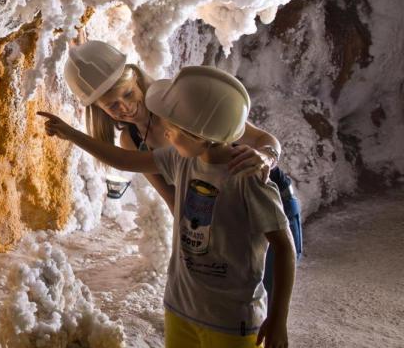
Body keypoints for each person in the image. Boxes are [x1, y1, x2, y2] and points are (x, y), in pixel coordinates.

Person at [40, 66, 295, 348]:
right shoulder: (182, 159)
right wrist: (70, 134)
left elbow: (284, 247)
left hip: (232, 319)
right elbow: (124, 161)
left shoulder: (248, 179)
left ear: (199, 135)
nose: (166, 134)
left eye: (172, 130)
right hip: (181, 308)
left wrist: (278, 318)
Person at [63, 41, 302, 299]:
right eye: (112, 106)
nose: (125, 108)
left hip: (266, 195)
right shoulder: (131, 140)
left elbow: (263, 140)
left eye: (128, 94)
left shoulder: (178, 102)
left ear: (137, 80)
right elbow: (172, 198)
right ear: (99, 110)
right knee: (235, 304)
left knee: (271, 291)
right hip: (224, 214)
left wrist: (266, 158)